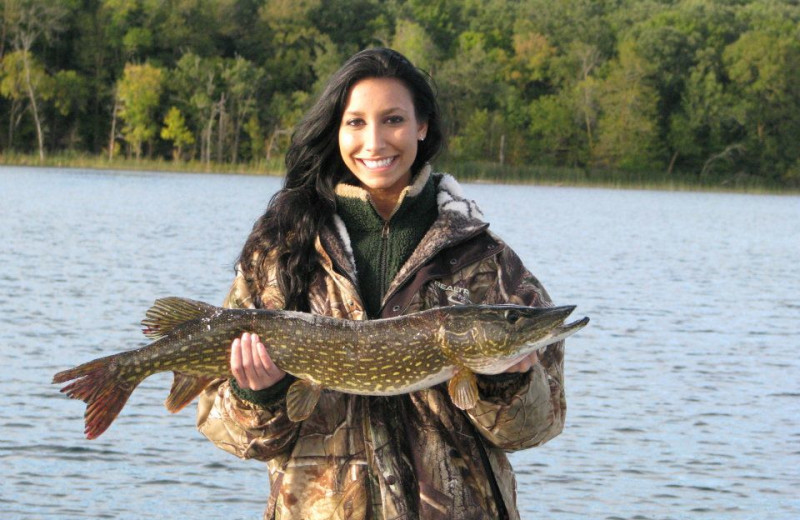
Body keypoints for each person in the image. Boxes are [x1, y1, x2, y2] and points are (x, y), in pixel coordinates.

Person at [197, 48, 566, 520]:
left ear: (422, 126)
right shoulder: (283, 253)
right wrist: (258, 395)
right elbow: (230, 433)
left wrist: (507, 385)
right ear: (336, 131)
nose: (374, 141)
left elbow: (537, 428)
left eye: (393, 119)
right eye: (355, 123)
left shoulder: (486, 261)